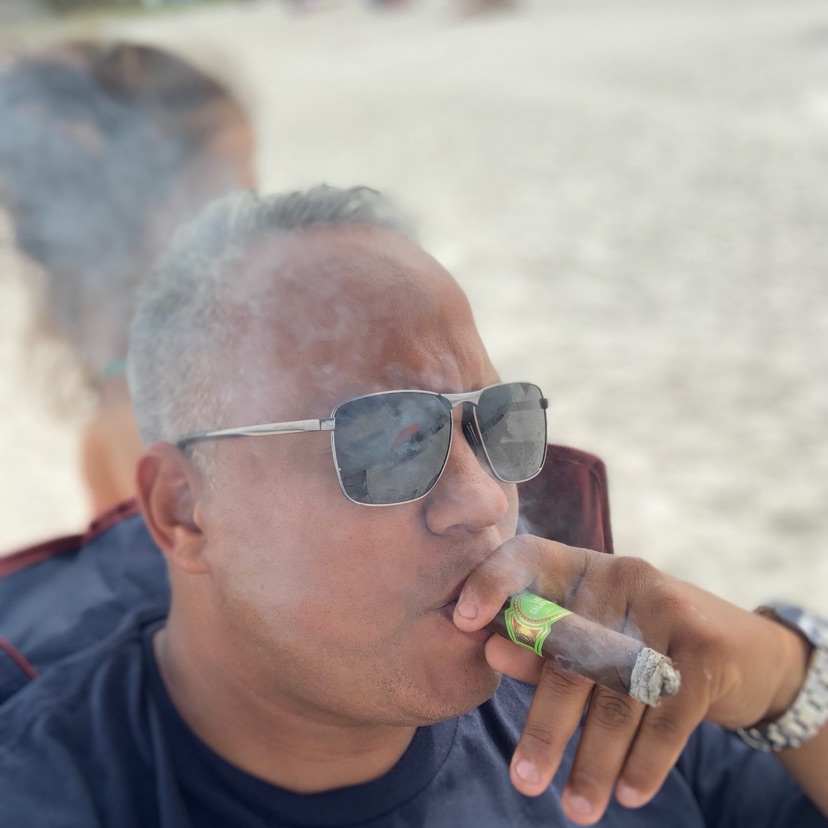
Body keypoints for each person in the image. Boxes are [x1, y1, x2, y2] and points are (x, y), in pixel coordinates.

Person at [0, 184, 826, 827]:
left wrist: (785, 682)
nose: (484, 501)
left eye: (499, 422)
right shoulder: (47, 794)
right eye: (389, 438)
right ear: (184, 509)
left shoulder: (603, 712)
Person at [0, 40, 256, 519]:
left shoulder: (131, 395)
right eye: (227, 187)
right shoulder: (159, 421)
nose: (253, 207)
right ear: (128, 218)